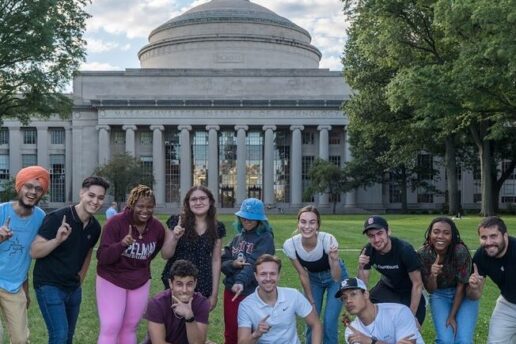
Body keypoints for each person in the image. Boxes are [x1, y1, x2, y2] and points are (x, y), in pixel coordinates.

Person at [31, 176, 109, 344]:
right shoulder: (57, 218)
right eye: (91, 195)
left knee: (68, 337)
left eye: (100, 197)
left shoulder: (95, 227)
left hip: (73, 288)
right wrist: (57, 240)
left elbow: (87, 253)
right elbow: (34, 251)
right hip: (49, 285)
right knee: (59, 335)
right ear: (81, 193)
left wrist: (80, 279)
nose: (95, 201)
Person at [96, 185, 165, 344]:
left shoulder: (157, 227)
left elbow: (153, 251)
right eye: (140, 206)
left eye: (149, 207)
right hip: (112, 279)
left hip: (139, 281)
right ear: (132, 204)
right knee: (111, 326)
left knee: (130, 327)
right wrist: (121, 245)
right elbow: (102, 257)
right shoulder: (115, 223)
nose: (145, 211)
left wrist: (139, 262)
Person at [282, 205, 348, 344]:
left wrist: (335, 260)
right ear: (298, 223)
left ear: (318, 224)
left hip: (334, 276)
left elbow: (337, 277)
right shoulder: (290, 245)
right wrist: (311, 301)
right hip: (312, 278)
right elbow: (302, 274)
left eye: (312, 222)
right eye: (303, 221)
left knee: (330, 321)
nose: (307, 226)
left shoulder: (327, 240)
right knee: (311, 318)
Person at [0, 166, 49, 344]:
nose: (32, 192)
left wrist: (26, 292)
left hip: (14, 286)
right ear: (18, 187)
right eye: (28, 186)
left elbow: (33, 253)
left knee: (21, 340)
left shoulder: (41, 217)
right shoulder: (1, 211)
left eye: (38, 189)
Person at [161, 186, 226, 311]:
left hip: (202, 284)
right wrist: (174, 238)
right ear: (188, 203)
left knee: (196, 327)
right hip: (178, 283)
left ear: (210, 201)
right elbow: (165, 255)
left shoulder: (217, 227)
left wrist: (214, 294)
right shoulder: (176, 221)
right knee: (174, 326)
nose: (198, 202)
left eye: (202, 198)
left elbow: (216, 260)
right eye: (194, 199)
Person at [221, 198, 275, 344]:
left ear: (260, 220)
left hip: (251, 293)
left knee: (252, 333)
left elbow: (254, 264)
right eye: (244, 217)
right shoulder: (238, 238)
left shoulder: (265, 238)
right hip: (231, 292)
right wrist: (233, 264)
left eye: (252, 218)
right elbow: (222, 262)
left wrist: (240, 281)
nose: (247, 220)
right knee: (231, 332)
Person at [417, 217, 478, 343]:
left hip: (463, 294)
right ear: (430, 234)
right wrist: (433, 275)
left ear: (452, 236)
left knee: (464, 340)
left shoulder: (460, 251)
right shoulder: (423, 254)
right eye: (436, 232)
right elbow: (430, 289)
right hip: (439, 294)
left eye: (446, 233)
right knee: (445, 340)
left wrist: (452, 316)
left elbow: (461, 286)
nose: (440, 236)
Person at [238, 254, 322, 344]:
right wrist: (256, 334)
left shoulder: (293, 295)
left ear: (279, 275)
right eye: (263, 274)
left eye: (272, 273)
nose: (268, 278)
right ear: (256, 276)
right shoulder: (246, 305)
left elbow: (316, 324)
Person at [357, 215, 426, 325]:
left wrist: (411, 315)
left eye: (380, 233)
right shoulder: (368, 251)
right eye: (371, 236)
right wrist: (361, 267)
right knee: (364, 310)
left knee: (410, 328)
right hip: (387, 287)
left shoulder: (404, 250)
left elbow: (417, 284)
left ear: (388, 231)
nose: (376, 239)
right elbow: (361, 286)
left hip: (408, 290)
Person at [467, 216, 516, 343]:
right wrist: (474, 287)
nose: (488, 242)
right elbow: (474, 296)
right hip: (508, 303)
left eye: (493, 236)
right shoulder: (481, 256)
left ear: (505, 236)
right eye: (484, 237)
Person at [336, 277, 424, 344]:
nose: (348, 301)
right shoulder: (352, 331)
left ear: (366, 294)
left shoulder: (399, 312)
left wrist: (370, 341)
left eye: (353, 294)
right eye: (344, 298)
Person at [143, 259, 210, 344]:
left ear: (195, 283)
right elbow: (159, 342)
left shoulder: (202, 303)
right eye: (179, 284)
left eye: (189, 284)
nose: (184, 290)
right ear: (171, 283)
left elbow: (197, 343)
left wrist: (189, 317)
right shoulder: (157, 304)